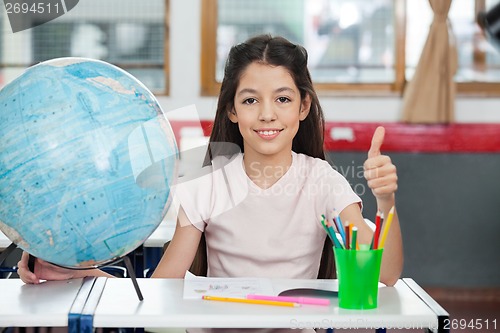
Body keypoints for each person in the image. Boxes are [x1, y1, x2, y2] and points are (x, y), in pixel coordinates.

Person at [18, 34, 403, 331]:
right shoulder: (207, 176)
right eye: (250, 100)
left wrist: (385, 203)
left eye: (283, 99)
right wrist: (79, 273)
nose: (268, 114)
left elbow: (387, 276)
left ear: (303, 107)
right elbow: (162, 286)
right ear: (232, 111)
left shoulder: (322, 180)